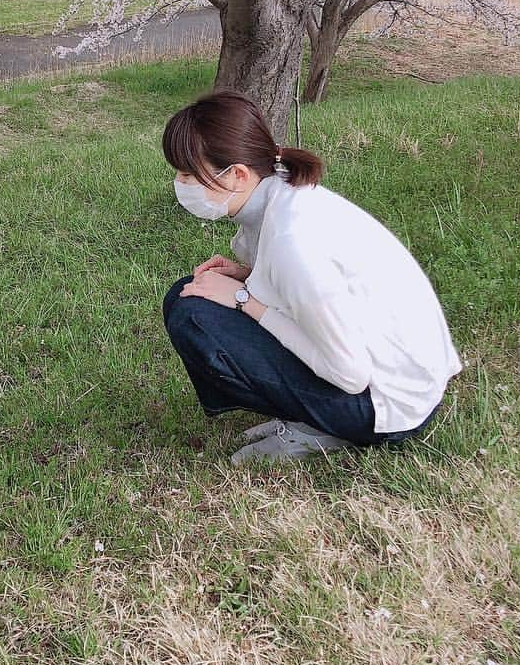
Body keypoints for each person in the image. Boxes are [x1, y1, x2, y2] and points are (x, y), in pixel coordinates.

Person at [160, 91, 462, 463]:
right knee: (187, 295)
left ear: (238, 174)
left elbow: (350, 374)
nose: (180, 182)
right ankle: (310, 412)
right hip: (392, 376)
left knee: (195, 317)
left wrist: (243, 300)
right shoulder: (280, 189)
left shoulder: (293, 240)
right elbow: (311, 290)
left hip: (389, 409)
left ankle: (324, 426)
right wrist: (244, 276)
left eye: (189, 173)